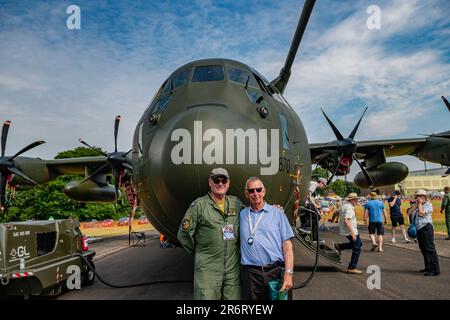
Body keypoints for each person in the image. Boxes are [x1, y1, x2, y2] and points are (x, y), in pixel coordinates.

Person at [177, 168, 244, 299]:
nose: (220, 183)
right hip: (208, 270)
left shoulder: (236, 204)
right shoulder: (199, 206)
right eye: (216, 180)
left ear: (228, 183)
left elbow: (252, 216)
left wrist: (273, 209)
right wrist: (201, 252)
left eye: (223, 180)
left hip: (232, 270)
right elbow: (184, 234)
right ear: (210, 183)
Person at [240, 177, 294, 300]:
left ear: (264, 191)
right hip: (250, 275)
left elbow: (287, 246)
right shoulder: (241, 214)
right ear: (246, 193)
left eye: (258, 190)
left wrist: (288, 274)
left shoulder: (277, 213)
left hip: (274, 272)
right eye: (251, 190)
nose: (255, 194)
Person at [409, 189, 440, 276]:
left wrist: (419, 204)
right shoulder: (417, 205)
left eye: (418, 197)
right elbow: (409, 212)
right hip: (420, 229)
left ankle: (435, 269)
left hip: (426, 228)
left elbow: (421, 214)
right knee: (423, 249)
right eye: (416, 197)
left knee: (429, 248)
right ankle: (428, 267)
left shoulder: (428, 205)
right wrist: (416, 205)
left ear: (423, 197)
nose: (417, 198)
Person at [334, 192, 363, 274]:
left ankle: (340, 246)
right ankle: (352, 267)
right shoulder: (349, 208)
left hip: (346, 230)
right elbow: (347, 221)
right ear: (353, 200)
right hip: (351, 231)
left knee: (358, 244)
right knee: (357, 247)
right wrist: (353, 234)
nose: (358, 200)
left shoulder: (344, 206)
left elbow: (336, 212)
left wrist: (334, 219)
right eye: (357, 199)